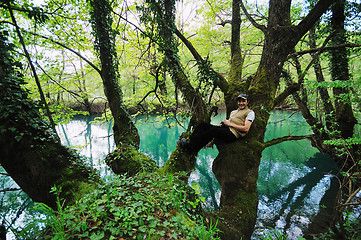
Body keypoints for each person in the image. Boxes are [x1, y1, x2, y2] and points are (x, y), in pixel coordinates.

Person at [178, 93, 255, 153]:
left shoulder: (250, 113)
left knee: (213, 131)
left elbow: (246, 129)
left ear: (247, 102)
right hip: (227, 130)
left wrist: (230, 124)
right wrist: (224, 124)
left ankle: (192, 147)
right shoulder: (233, 112)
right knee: (203, 125)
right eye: (239, 101)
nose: (241, 103)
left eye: (243, 101)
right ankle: (190, 141)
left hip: (233, 135)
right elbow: (230, 122)